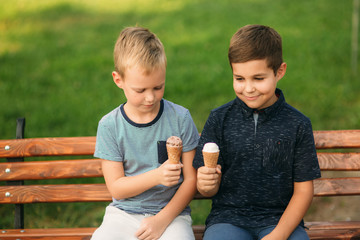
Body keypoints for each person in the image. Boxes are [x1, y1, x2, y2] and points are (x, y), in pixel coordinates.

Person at [193, 24, 321, 240]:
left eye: (258, 79)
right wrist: (205, 184)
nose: (249, 88)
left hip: (281, 221)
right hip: (228, 219)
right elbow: (206, 188)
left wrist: (278, 235)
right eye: (240, 79)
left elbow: (303, 191)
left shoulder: (297, 124)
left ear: (279, 71)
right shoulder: (219, 119)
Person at [91, 26, 199, 240]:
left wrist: (161, 220)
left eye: (158, 87)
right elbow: (117, 188)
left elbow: (191, 180)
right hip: (123, 214)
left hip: (171, 215)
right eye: (140, 90)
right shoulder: (110, 126)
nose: (150, 97)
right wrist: (157, 175)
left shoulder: (180, 118)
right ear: (118, 79)